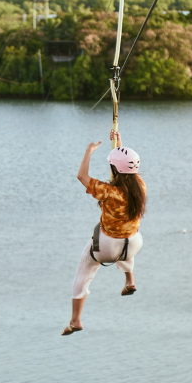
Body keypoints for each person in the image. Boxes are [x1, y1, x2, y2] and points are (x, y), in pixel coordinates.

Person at [64, 131, 147, 336]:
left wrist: (89, 151)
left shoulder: (108, 192)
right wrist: (118, 143)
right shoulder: (140, 186)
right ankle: (129, 280)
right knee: (126, 238)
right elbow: (123, 168)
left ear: (114, 169)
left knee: (84, 269)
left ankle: (75, 320)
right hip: (133, 245)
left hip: (108, 247)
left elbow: (82, 177)